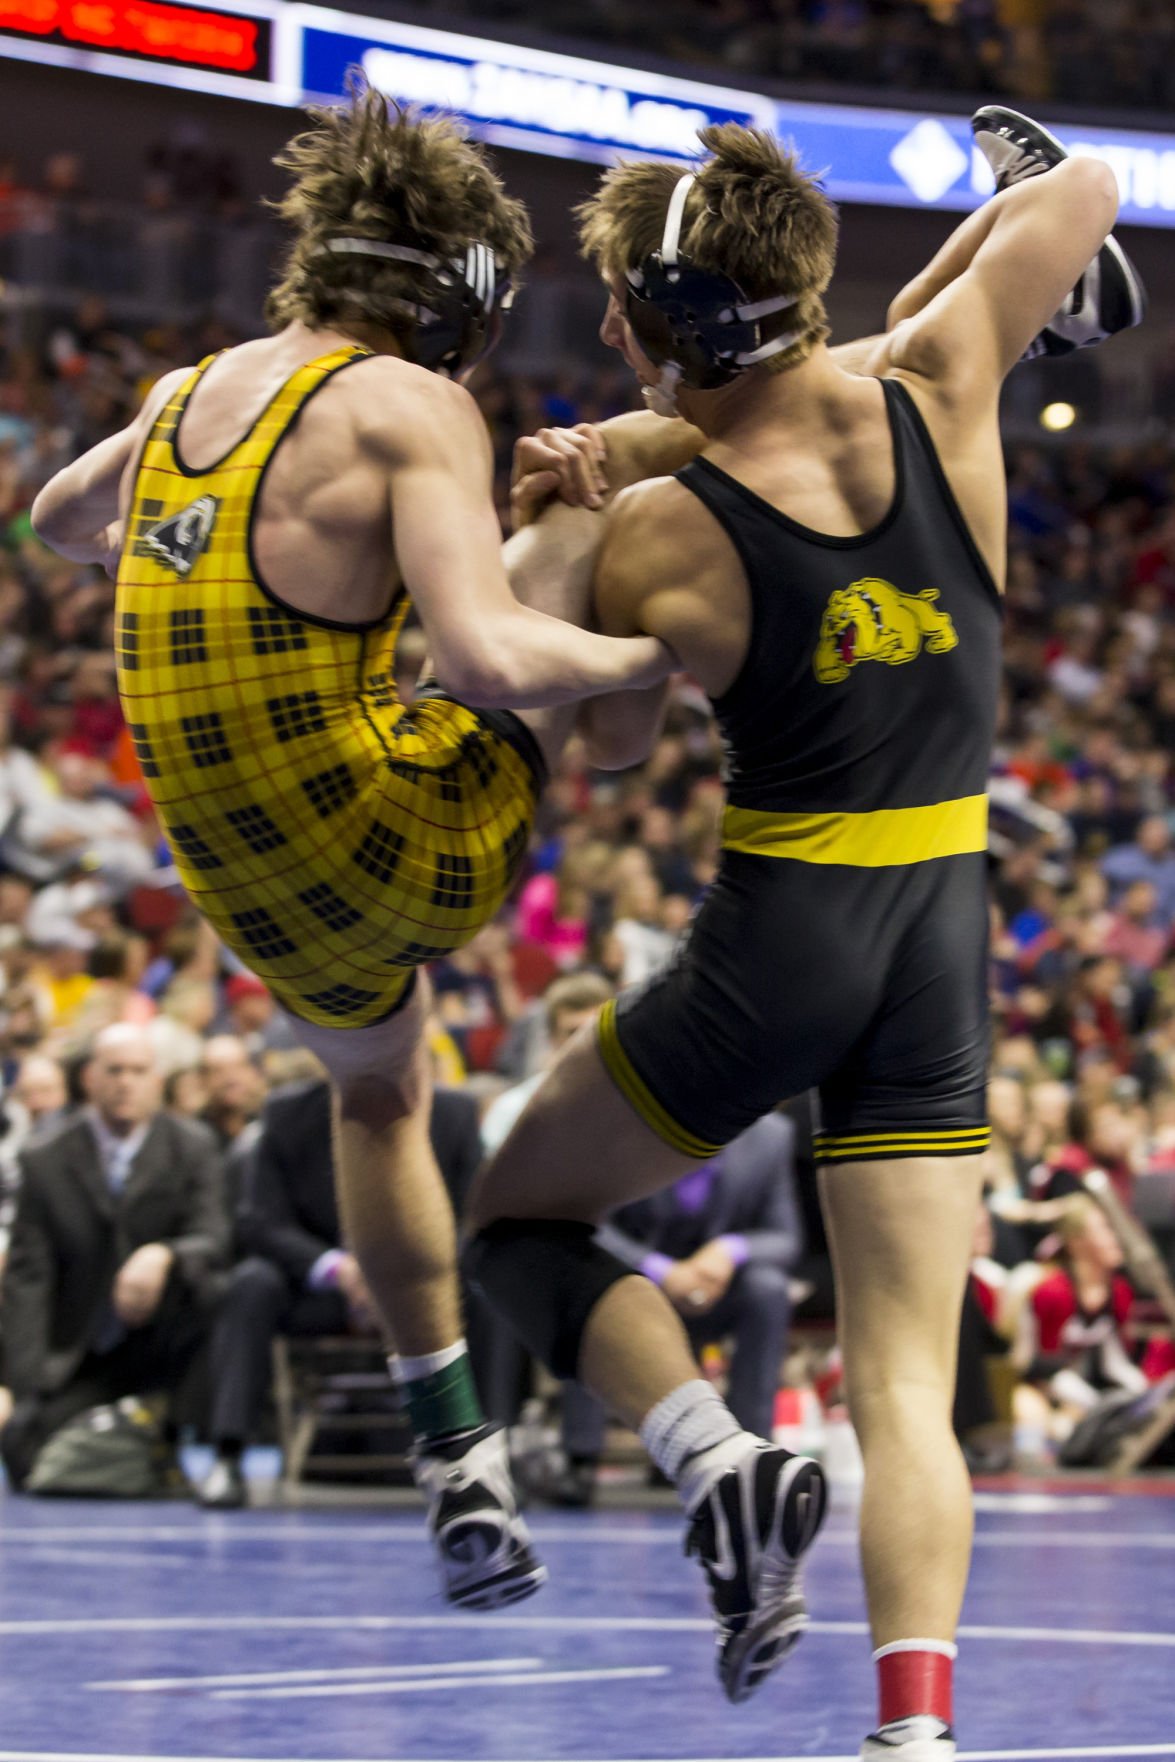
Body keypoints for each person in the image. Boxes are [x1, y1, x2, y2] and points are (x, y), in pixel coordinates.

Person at [466, 109, 1141, 1754]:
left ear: (676, 328)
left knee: (514, 1219)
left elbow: (599, 739)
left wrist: (578, 499)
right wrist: (941, 282)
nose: (613, 334)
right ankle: (916, 1734)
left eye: (627, 311)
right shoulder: (949, 378)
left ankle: (715, 1450)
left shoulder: (660, 535)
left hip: (783, 941)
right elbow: (1092, 187)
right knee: (905, 1379)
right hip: (942, 936)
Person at [29, 80, 671, 1608]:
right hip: (397, 844)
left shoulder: (183, 396)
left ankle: (455, 1450)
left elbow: (59, 517)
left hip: (243, 887)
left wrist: (154, 545)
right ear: (456, 296)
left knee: (381, 1092)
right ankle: (665, 663)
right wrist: (638, 663)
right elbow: (495, 655)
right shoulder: (412, 404)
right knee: (581, 533)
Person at [199, 1073, 482, 1509]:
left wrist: (413, 1272)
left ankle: (483, 1459)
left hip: (426, 1290)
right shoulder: (285, 1113)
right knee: (252, 1283)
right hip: (323, 1291)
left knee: (486, 1286)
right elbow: (260, 1221)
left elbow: (473, 1219)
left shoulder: (456, 1113)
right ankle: (228, 1454)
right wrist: (340, 1270)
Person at [0, 1024, 228, 1490]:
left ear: (157, 1080)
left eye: (139, 1071)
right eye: (114, 1070)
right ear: (89, 1078)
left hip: (165, 1343)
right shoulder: (44, 1159)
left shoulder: (193, 1146)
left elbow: (214, 1237)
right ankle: (134, 1443)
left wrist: (164, 1254)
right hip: (82, 1352)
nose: (126, 1081)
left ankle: (175, 1428)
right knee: (27, 1456)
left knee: (220, 1287)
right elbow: (28, 1281)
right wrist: (22, 1388)